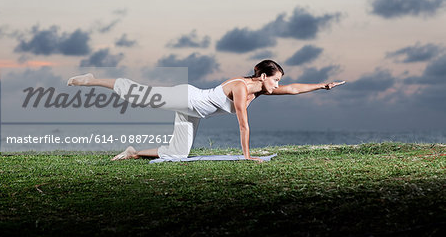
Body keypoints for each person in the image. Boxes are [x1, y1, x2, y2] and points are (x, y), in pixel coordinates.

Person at [67, 60, 345, 162]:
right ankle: (92, 80)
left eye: (279, 81)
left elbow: (294, 89)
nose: (278, 85)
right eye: (275, 79)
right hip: (185, 97)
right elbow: (243, 124)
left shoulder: (261, 90)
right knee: (138, 96)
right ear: (262, 76)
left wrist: (323, 85)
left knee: (177, 154)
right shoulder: (240, 87)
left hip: (193, 112)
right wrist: (247, 157)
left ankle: (133, 152)